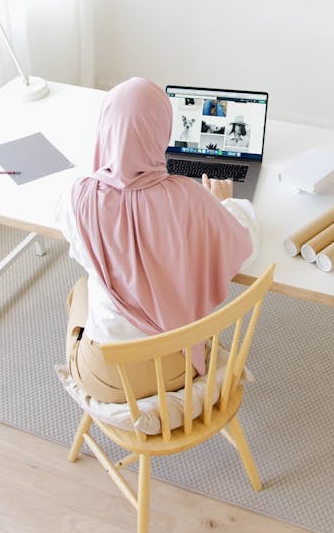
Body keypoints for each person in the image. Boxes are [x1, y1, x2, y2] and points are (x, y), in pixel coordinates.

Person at [55, 77, 259, 404]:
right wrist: (225, 204)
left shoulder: (77, 197)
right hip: (175, 371)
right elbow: (245, 249)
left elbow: (82, 252)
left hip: (102, 376)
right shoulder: (190, 199)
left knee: (81, 290)